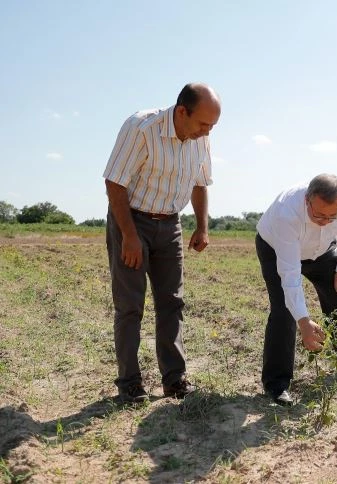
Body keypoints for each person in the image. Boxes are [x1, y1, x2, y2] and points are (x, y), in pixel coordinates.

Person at [103, 83, 221, 403]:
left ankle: (174, 379)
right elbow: (114, 183)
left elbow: (200, 183)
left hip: (170, 224)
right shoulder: (141, 128)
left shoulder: (200, 138)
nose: (207, 131)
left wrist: (202, 227)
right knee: (130, 306)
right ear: (182, 112)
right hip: (132, 220)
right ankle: (129, 383)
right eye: (203, 124)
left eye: (213, 126)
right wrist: (129, 236)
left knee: (172, 303)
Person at [255, 174, 337, 406]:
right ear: (307, 200)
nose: (325, 221)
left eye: (332, 216)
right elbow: (290, 277)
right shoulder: (287, 213)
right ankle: (277, 384)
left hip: (322, 250)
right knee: (284, 310)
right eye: (318, 215)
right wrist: (304, 322)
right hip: (276, 248)